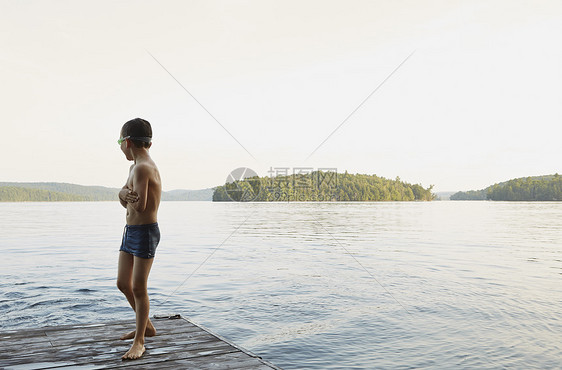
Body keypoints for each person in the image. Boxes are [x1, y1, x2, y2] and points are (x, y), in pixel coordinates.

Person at [116, 118, 162, 360]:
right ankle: (148, 326)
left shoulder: (144, 168)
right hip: (130, 232)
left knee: (138, 287)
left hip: (145, 233)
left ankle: (140, 341)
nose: (120, 147)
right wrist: (122, 193)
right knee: (123, 283)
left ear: (128, 142)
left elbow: (142, 206)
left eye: (119, 142)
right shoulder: (134, 167)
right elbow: (125, 196)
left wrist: (128, 196)